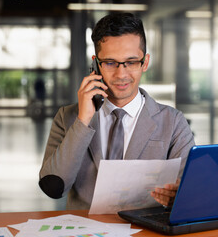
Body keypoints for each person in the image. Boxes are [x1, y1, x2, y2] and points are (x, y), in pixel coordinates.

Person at [39, 12, 195, 210]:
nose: (121, 74)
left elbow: (191, 193)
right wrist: (83, 120)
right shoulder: (67, 117)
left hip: (145, 229)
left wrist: (179, 198)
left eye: (131, 62)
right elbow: (53, 188)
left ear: (145, 62)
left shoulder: (173, 122)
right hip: (86, 229)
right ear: (96, 64)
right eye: (110, 63)